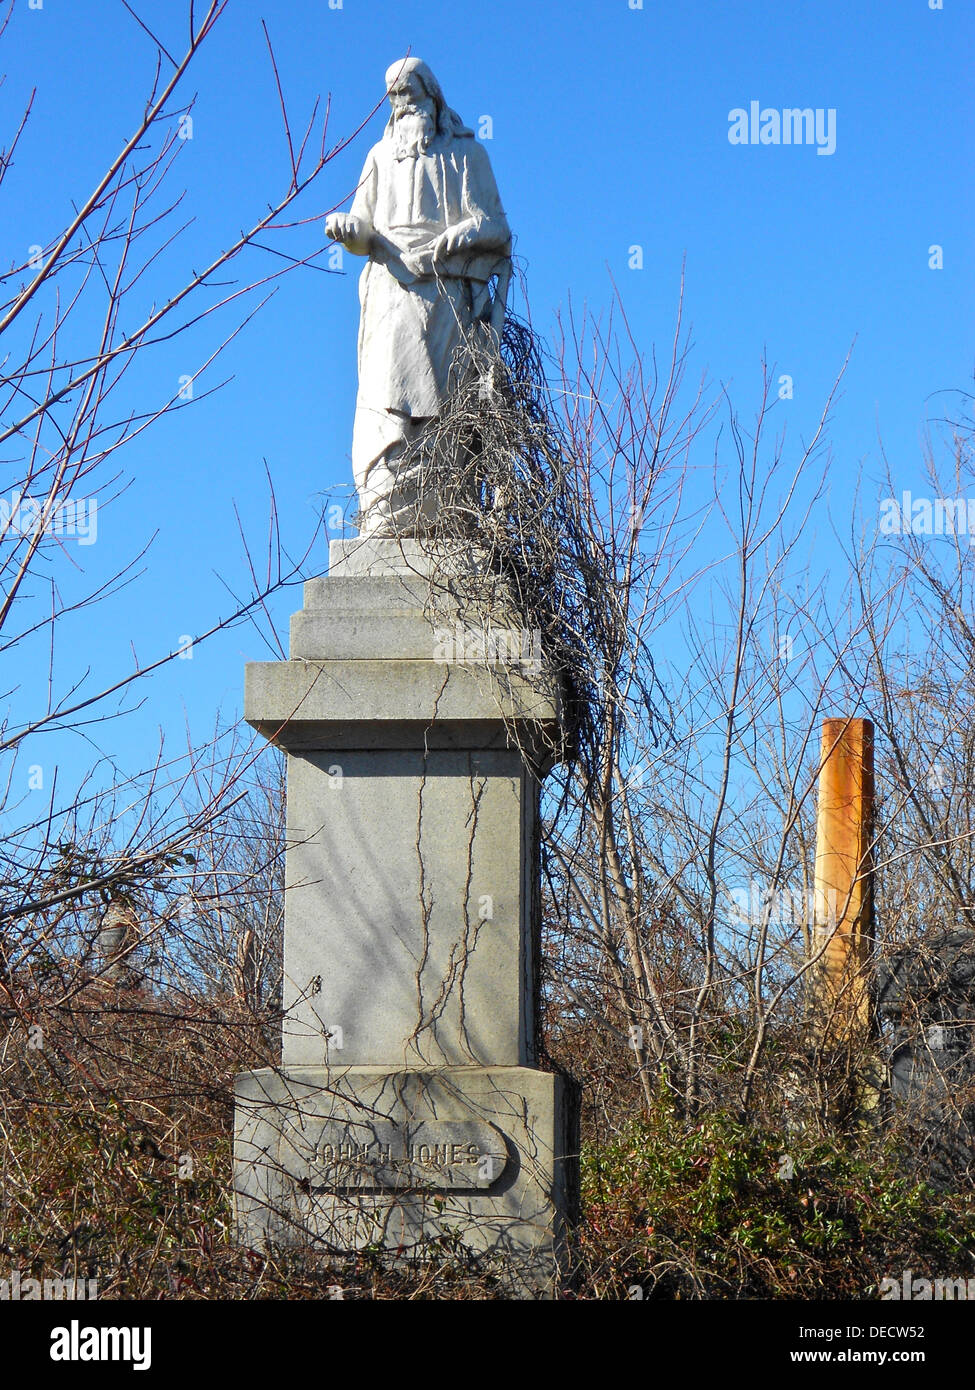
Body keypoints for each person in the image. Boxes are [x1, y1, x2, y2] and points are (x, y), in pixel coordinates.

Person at [326, 58, 511, 537]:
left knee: (445, 400)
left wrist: (467, 231)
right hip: (390, 291)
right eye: (394, 98)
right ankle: (385, 510)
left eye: (409, 94)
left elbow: (498, 229)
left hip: (446, 294)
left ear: (432, 95)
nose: (402, 106)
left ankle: (446, 506)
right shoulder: (378, 158)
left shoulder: (468, 157)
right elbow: (361, 228)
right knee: (386, 399)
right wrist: (351, 232)